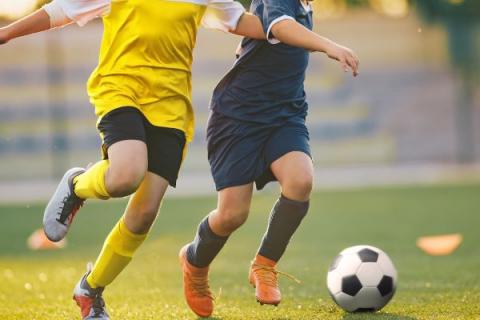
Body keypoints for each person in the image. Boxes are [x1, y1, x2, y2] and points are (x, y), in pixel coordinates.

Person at [0, 1, 264, 319]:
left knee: (144, 214)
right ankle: (77, 184)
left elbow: (240, 21)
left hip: (171, 109)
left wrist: (292, 29)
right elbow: (63, 10)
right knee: (126, 175)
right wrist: (7, 32)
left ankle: (90, 290)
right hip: (121, 89)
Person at [180, 0, 359, 317]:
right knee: (232, 215)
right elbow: (279, 26)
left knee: (300, 180)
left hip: (284, 115)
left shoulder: (306, 5)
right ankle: (194, 261)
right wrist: (329, 46)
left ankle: (264, 266)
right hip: (238, 118)